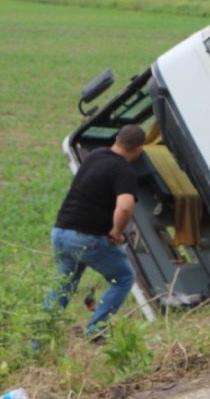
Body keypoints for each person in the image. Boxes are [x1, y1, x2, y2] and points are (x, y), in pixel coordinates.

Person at [45, 124, 145, 340]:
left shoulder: (96, 155)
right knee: (124, 277)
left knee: (64, 285)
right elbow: (126, 206)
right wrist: (117, 231)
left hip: (61, 232)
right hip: (86, 237)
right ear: (138, 149)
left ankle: (40, 338)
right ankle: (96, 330)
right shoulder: (124, 170)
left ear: (117, 139)